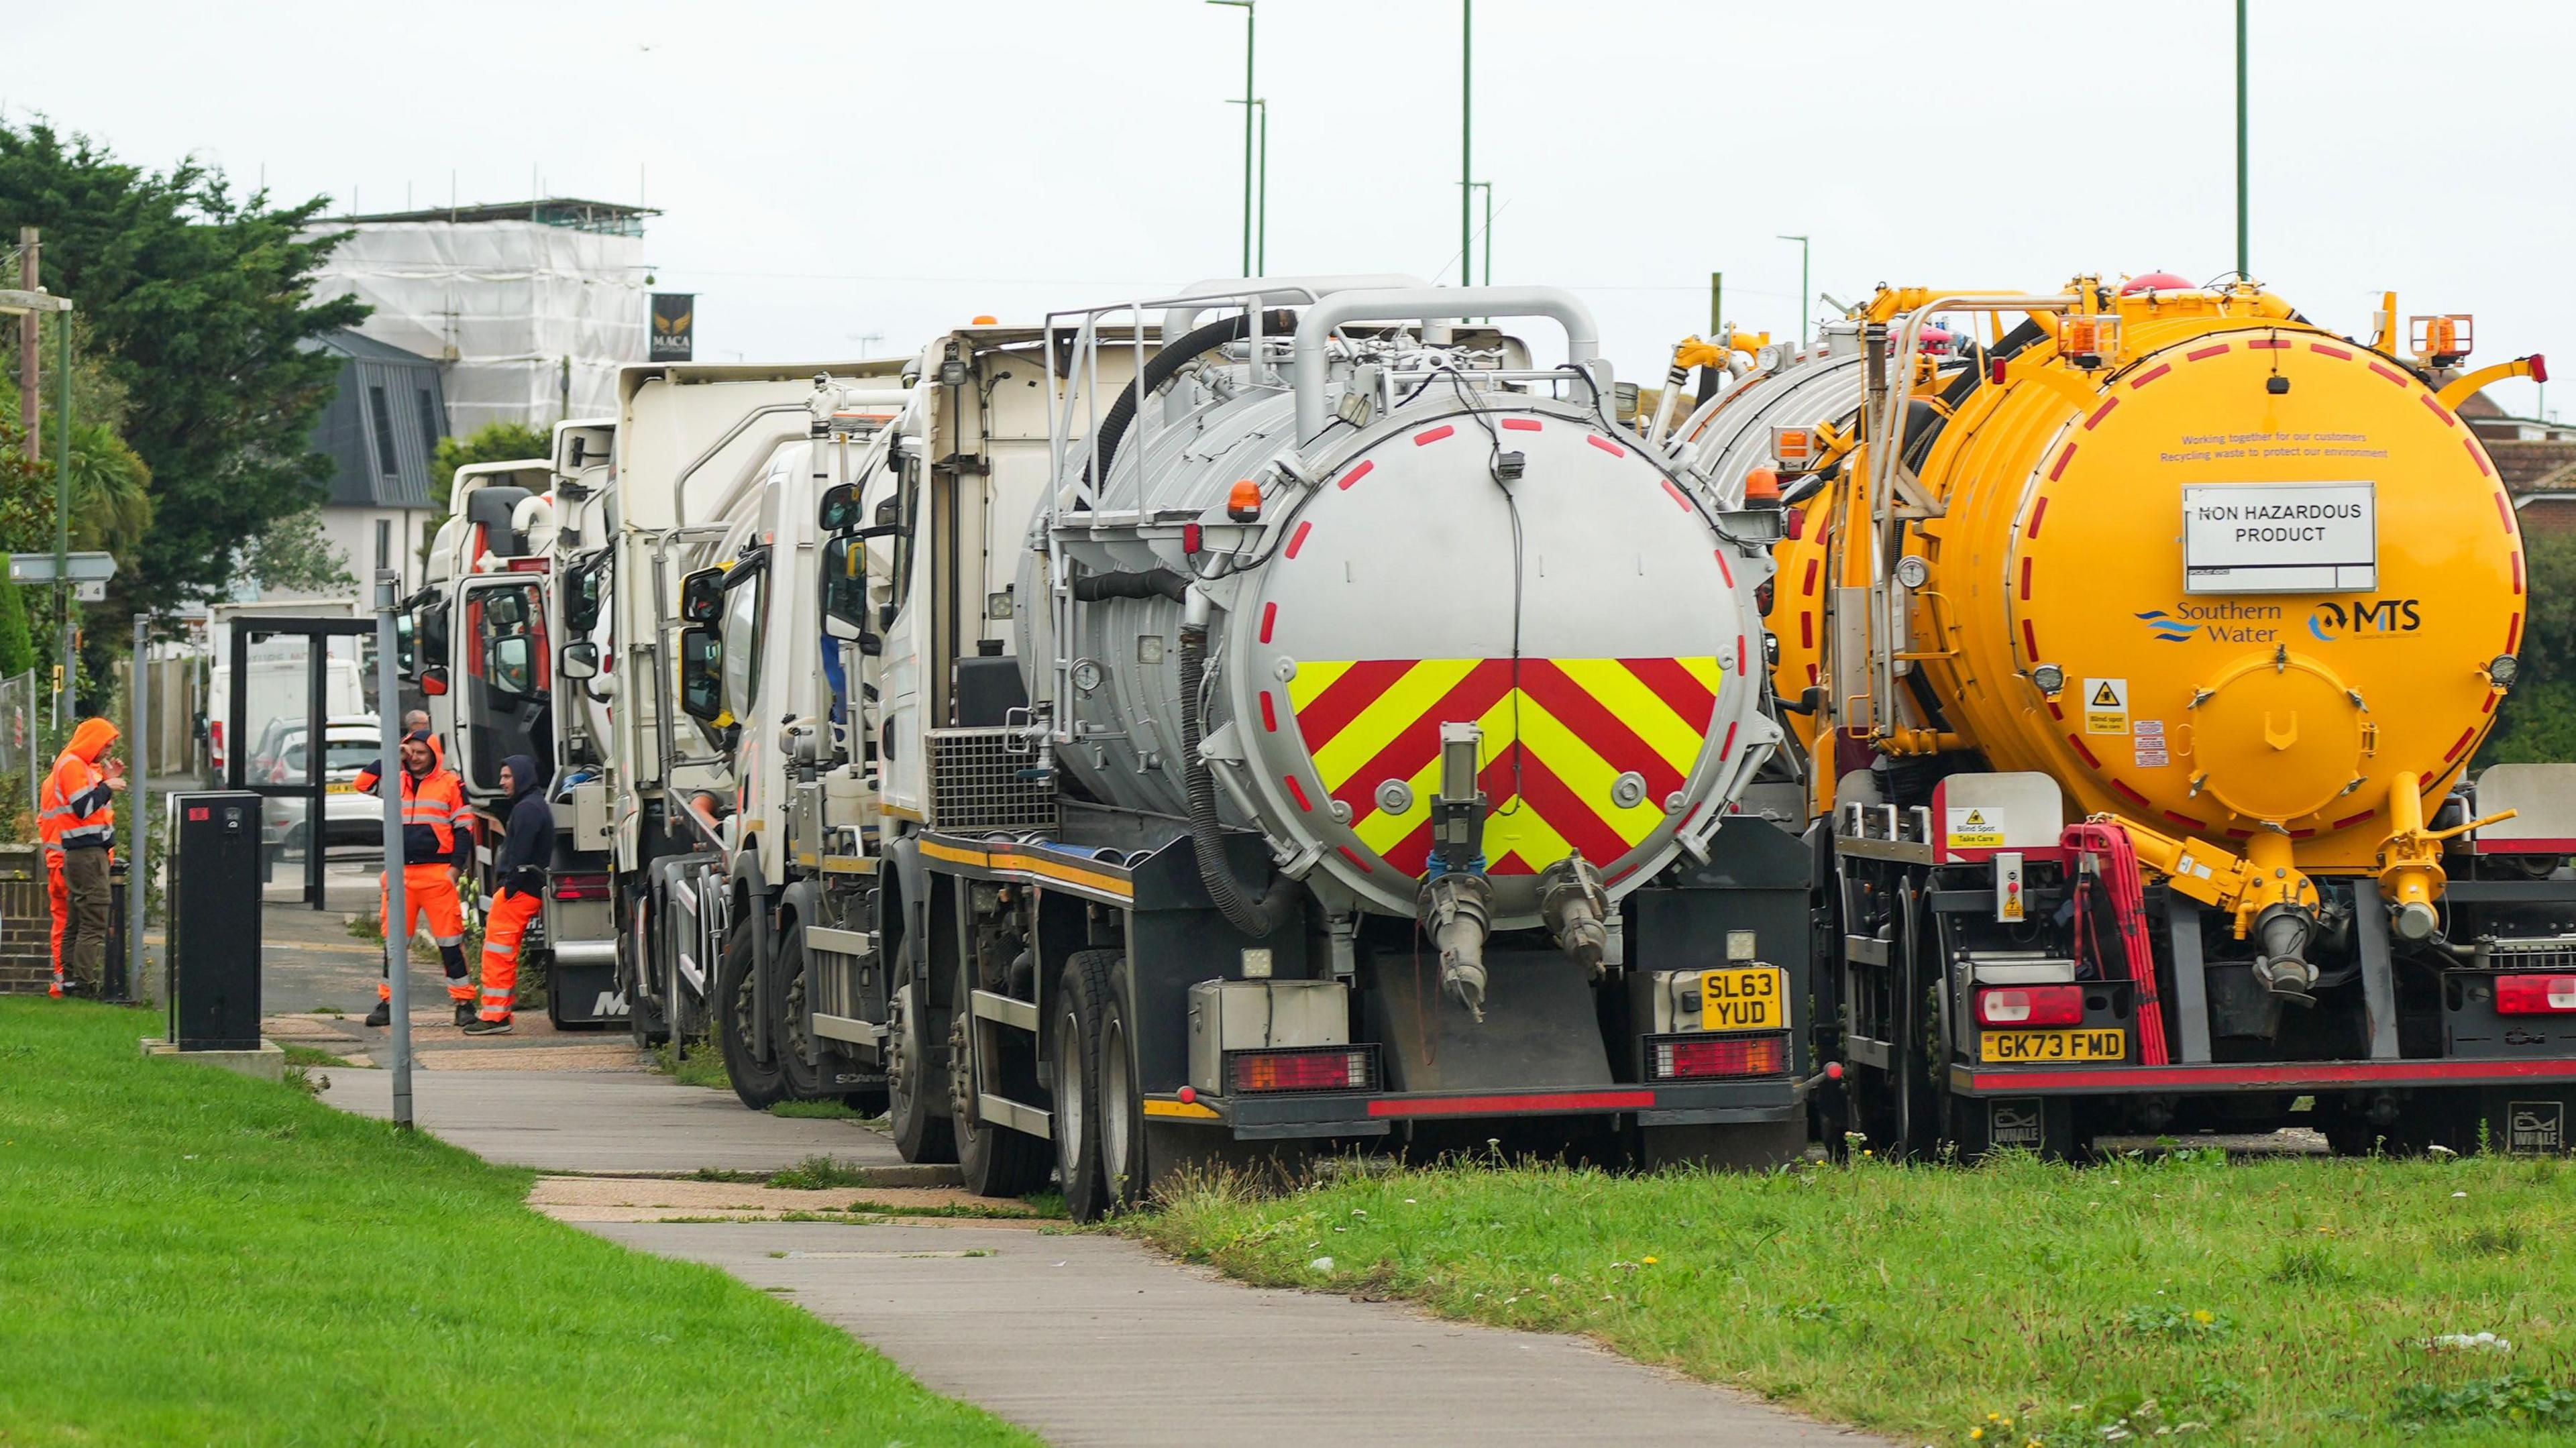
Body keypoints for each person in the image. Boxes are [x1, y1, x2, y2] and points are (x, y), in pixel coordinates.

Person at [362, 729, 477, 1027]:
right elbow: (362, 783)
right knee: (394, 944)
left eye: (420, 753)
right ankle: (389, 1002)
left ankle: (464, 1002)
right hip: (400, 874)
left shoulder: (451, 784)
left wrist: (454, 870)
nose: (413, 758)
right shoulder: (394, 779)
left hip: (437, 874)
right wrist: (393, 755)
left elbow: (464, 828)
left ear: (434, 756)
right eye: (409, 752)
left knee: (450, 942)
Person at [468, 753, 554, 1036]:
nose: (502, 782)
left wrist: (510, 886)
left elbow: (521, 855)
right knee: (502, 951)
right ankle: (497, 1012)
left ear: (522, 777)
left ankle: (495, 1016)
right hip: (526, 888)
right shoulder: (533, 805)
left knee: (497, 952)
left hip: (519, 891)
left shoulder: (526, 810)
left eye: (508, 777)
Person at [44, 718, 123, 996]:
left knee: (77, 920)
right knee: (94, 918)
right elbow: (83, 807)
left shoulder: (76, 765)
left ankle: (70, 982)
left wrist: (104, 778)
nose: (108, 752)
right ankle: (85, 986)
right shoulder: (73, 765)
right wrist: (109, 785)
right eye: (106, 746)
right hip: (86, 854)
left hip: (80, 853)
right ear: (93, 742)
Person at [351, 710, 437, 794]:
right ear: (413, 725)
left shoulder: (445, 783)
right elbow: (361, 785)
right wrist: (392, 759)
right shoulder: (399, 783)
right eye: (424, 723)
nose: (414, 758)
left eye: (421, 753)